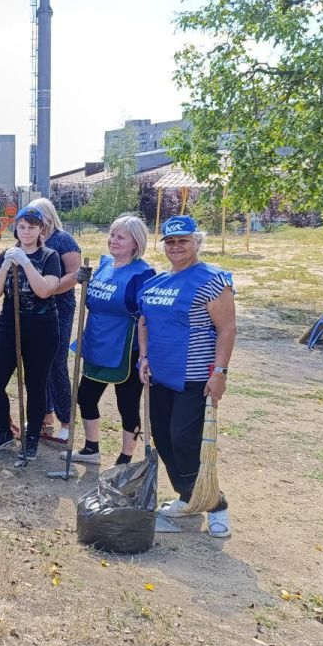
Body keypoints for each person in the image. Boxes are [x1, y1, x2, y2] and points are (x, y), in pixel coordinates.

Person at [138, 215, 236, 538]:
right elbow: (143, 322)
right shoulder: (155, 283)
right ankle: (188, 498)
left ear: (196, 242)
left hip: (195, 378)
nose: (176, 246)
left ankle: (216, 505)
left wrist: (220, 373)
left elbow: (226, 329)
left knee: (184, 440)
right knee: (163, 440)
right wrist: (144, 357)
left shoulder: (211, 280)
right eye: (170, 241)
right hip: (160, 377)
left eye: (183, 240)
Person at [61, 215, 155, 467]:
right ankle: (91, 449)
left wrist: (147, 355)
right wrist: (81, 280)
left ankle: (124, 459)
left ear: (136, 243)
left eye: (120, 236)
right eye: (112, 234)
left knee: (127, 404)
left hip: (127, 348)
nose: (113, 240)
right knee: (85, 397)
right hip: (96, 342)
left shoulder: (143, 274)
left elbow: (148, 317)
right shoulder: (103, 265)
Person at [0, 206, 62, 461]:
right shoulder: (6, 254)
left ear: (41, 229)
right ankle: (4, 429)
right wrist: (6, 264)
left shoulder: (50, 256)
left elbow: (44, 290)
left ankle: (33, 436)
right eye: (22, 226)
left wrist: (26, 262)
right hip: (9, 323)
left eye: (31, 226)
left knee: (35, 385)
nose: (25, 231)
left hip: (42, 326)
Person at [28, 197, 82, 444]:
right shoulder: (34, 240)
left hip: (59, 306)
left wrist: (49, 289)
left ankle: (66, 421)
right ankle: (44, 415)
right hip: (36, 309)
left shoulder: (63, 240)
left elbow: (74, 274)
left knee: (57, 362)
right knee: (39, 363)